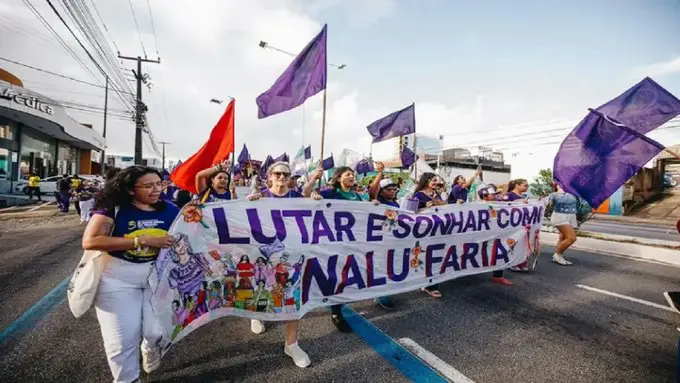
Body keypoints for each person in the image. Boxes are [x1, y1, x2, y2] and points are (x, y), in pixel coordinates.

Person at [82, 166, 179, 383]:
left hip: (158, 279)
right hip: (117, 279)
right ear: (130, 190)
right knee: (121, 341)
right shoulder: (112, 209)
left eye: (159, 184)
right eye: (148, 186)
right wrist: (141, 240)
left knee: (156, 331)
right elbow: (90, 241)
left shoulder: (172, 210)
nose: (156, 190)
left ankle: (150, 347)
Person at [246, 161, 321, 368]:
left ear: (290, 178)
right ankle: (256, 316)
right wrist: (248, 203)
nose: (281, 177)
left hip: (291, 257)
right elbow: (242, 218)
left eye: (286, 174)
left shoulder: (297, 198)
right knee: (261, 290)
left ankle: (291, 344)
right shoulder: (259, 196)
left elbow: (312, 212)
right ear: (269, 176)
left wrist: (313, 200)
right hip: (264, 256)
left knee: (292, 298)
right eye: (277, 173)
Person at [318, 166, 364, 332]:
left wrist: (373, 205)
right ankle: (336, 313)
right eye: (348, 174)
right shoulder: (330, 193)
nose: (352, 176)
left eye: (353, 174)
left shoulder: (357, 196)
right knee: (337, 275)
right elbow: (307, 197)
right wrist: (313, 195)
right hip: (334, 242)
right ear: (338, 178)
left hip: (352, 243)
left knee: (346, 275)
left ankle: (337, 305)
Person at [368, 162, 400, 309]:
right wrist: (380, 173)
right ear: (382, 191)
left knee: (389, 265)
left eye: (395, 189)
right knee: (379, 266)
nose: (393, 191)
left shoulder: (397, 205)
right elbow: (372, 191)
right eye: (389, 189)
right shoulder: (377, 201)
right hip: (377, 240)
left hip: (391, 239)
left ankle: (384, 291)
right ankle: (381, 295)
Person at [412, 173, 447, 298]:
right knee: (425, 256)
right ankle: (427, 284)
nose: (435, 182)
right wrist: (423, 207)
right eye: (433, 180)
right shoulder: (418, 195)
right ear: (426, 181)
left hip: (437, 230)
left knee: (436, 256)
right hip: (424, 231)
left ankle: (431, 284)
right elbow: (411, 212)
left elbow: (445, 206)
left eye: (436, 180)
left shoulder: (436, 194)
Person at [477, 184, 513, 286]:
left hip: (496, 234)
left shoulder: (499, 204)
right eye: (492, 195)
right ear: (484, 196)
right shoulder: (476, 206)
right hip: (482, 236)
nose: (495, 196)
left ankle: (498, 276)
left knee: (501, 251)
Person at [502, 179, 530, 272]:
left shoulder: (524, 196)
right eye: (524, 185)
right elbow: (503, 207)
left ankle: (520, 262)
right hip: (512, 223)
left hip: (521, 223)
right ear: (517, 185)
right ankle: (511, 262)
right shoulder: (509, 195)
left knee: (522, 244)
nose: (527, 187)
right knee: (513, 242)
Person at [547, 182, 578, 265]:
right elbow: (548, 206)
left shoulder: (572, 192)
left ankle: (559, 256)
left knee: (563, 237)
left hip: (571, 216)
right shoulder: (553, 195)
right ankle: (557, 255)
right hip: (559, 216)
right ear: (556, 185)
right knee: (572, 238)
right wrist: (550, 200)